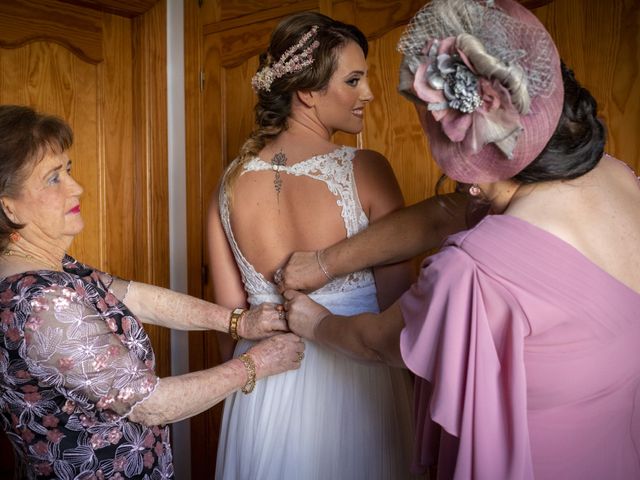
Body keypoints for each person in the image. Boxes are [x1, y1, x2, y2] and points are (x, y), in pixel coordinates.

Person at [282, 0, 640, 478]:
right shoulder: (621, 178)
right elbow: (443, 216)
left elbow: (379, 344)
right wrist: (325, 262)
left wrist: (316, 323)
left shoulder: (473, 270)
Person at [0, 104, 305, 480]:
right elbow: (151, 403)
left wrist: (237, 322)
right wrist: (256, 364)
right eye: (52, 179)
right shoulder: (42, 302)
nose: (76, 187)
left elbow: (139, 299)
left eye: (68, 169)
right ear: (9, 207)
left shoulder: (53, 269)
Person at [207, 11, 442, 480]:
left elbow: (228, 316)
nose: (368, 94)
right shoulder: (367, 169)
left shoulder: (227, 185)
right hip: (358, 385)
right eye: (353, 80)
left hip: (262, 389)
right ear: (307, 92)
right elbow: (400, 309)